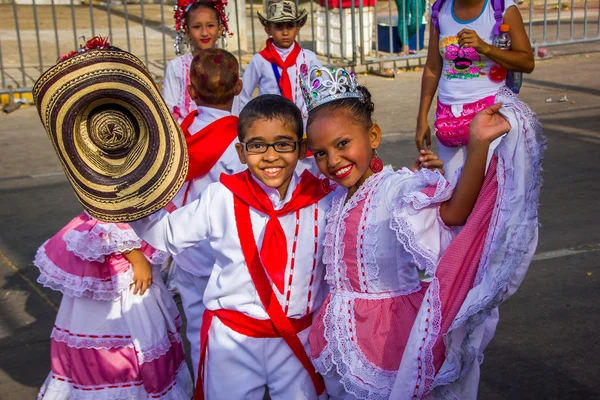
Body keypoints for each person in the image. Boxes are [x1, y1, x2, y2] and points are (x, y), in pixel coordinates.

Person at [300, 65, 544, 399]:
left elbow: (455, 213)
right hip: (342, 330)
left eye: (343, 143)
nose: (333, 160)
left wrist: (477, 145)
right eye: (321, 153)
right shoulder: (337, 197)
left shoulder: (394, 188)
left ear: (373, 136)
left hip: (389, 337)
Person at [130, 95, 333, 400]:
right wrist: (126, 196)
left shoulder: (324, 200)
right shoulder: (222, 197)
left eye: (283, 144)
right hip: (232, 339)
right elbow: (167, 233)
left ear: (302, 149)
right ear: (240, 151)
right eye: (256, 145)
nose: (270, 156)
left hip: (297, 339)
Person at [34, 212, 193, 399]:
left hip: (126, 237)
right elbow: (107, 216)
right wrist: (137, 259)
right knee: (126, 322)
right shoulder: (108, 203)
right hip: (118, 261)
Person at [164, 48, 246, 381]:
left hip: (188, 251)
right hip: (230, 257)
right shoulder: (244, 141)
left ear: (192, 92)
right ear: (239, 87)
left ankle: (205, 387)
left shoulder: (180, 134)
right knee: (237, 333)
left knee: (198, 331)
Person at [415, 0, 534, 181]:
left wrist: (485, 48)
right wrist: (421, 117)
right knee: (452, 193)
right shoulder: (440, 10)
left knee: (489, 194)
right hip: (449, 119)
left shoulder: (502, 9)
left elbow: (527, 62)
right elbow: (432, 66)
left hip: (491, 117)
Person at [164, 0, 230, 123]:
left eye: (210, 25)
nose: (204, 33)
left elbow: (236, 108)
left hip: (222, 134)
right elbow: (168, 109)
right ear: (187, 31)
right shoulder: (176, 67)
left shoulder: (228, 64)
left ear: (220, 29)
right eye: (197, 27)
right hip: (187, 137)